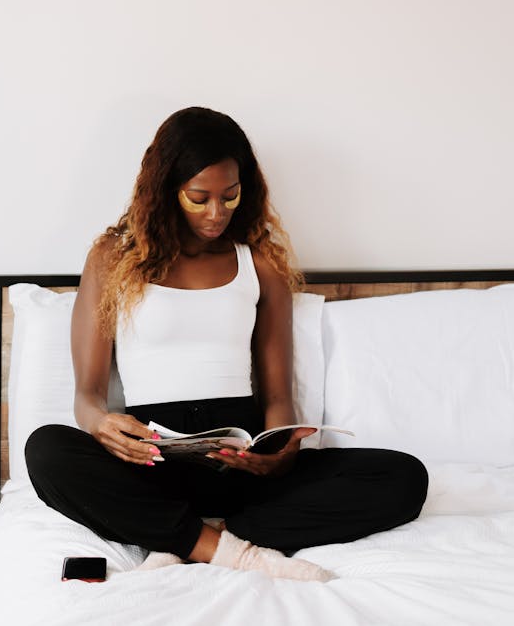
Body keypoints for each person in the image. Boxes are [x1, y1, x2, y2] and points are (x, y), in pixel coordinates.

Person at [26, 107, 428, 580]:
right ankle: (231, 549)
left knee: (404, 477)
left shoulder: (259, 263)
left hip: (238, 466)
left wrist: (278, 455)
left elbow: (279, 398)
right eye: (199, 198)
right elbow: (87, 396)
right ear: (165, 189)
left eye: (230, 196)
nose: (216, 213)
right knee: (46, 450)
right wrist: (102, 426)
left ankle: (188, 537)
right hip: (153, 461)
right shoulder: (113, 258)